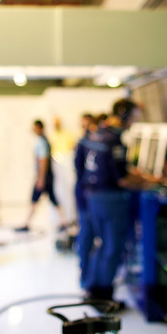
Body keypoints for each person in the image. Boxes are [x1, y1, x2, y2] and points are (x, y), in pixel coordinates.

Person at [79, 99, 161, 306]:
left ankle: (93, 288)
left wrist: (141, 177)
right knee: (112, 247)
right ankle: (104, 296)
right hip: (111, 200)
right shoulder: (114, 141)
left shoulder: (97, 134)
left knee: (101, 245)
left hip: (94, 198)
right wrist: (150, 182)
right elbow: (122, 178)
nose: (134, 121)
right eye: (134, 116)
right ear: (124, 114)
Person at [16, 119, 68, 232]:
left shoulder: (42, 142)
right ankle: (63, 221)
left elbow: (43, 161)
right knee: (52, 199)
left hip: (44, 176)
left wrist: (41, 178)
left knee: (35, 199)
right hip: (46, 176)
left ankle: (27, 223)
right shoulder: (44, 140)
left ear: (39, 128)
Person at [73, 113, 98, 284]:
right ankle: (85, 275)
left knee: (88, 234)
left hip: (89, 194)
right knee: (86, 234)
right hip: (85, 194)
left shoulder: (91, 143)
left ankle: (88, 274)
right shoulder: (85, 144)